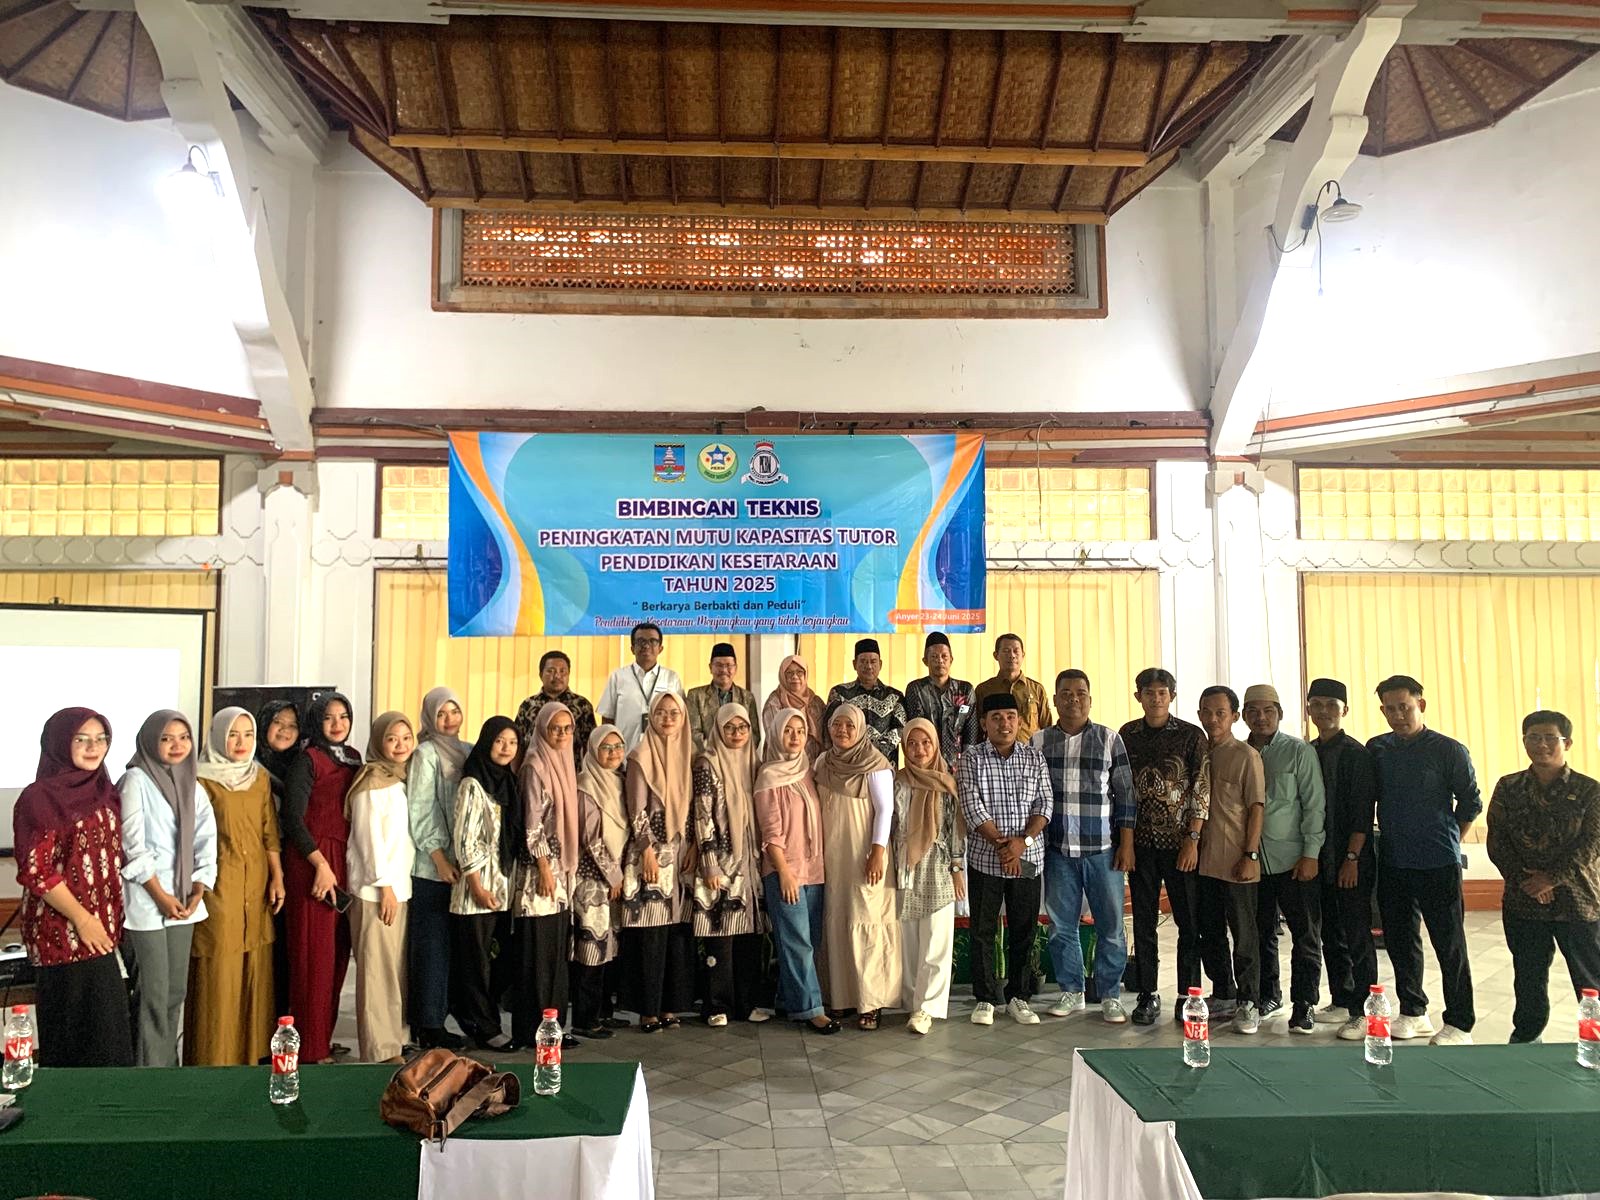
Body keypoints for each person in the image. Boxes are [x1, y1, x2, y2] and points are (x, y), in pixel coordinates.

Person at [13, 708, 134, 1067]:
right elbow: (37, 871)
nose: (93, 747)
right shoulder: (39, 798)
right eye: (81, 739)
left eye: (101, 738)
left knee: (110, 1041)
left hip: (101, 930)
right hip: (61, 934)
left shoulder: (104, 790)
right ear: (60, 743)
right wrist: (83, 920)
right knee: (76, 1044)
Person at [1368, 675, 1482, 1046]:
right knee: (1400, 941)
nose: (1398, 715)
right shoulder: (1378, 748)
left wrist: (1449, 837)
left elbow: (1471, 802)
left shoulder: (1449, 750)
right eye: (1390, 709)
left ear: (1421, 705)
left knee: (1449, 944)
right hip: (1393, 860)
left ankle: (1460, 1022)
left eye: (1404, 707)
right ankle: (1413, 1011)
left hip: (1438, 862)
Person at [1486, 710, 1600, 1044]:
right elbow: (1497, 839)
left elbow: (1592, 843)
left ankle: (1595, 1037)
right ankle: (1527, 1037)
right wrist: (1527, 882)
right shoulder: (1509, 787)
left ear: (1568, 743)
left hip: (1578, 900)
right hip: (1523, 899)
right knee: (1528, 976)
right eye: (1533, 737)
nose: (1542, 745)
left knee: (1590, 978)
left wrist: (1551, 879)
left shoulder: (1589, 790)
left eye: (1551, 737)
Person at [1032, 670, 1134, 1025]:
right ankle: (1072, 991)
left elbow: (1126, 796)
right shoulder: (1039, 741)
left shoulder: (1109, 739)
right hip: (1058, 850)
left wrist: (1126, 844)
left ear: (1090, 699)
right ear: (1055, 700)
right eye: (1066, 693)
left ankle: (1110, 995)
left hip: (1102, 850)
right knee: (1062, 926)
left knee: (1111, 927)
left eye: (1080, 693)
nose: (1073, 699)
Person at [119, 709, 218, 1067]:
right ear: (150, 741)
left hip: (184, 902)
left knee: (175, 990)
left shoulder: (193, 784)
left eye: (184, 737)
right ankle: (148, 1074)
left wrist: (198, 889)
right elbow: (132, 845)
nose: (177, 745)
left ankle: (165, 1066)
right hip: (146, 901)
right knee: (153, 992)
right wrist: (160, 896)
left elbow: (206, 840)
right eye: (166, 738)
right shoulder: (135, 781)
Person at [187, 707, 284, 1066]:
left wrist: (277, 877)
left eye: (247, 734)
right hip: (218, 886)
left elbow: (269, 830)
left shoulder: (259, 777)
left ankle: (251, 1057)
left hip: (256, 884)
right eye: (232, 734)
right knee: (219, 972)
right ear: (217, 737)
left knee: (254, 968)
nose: (241, 742)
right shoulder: (200, 780)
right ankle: (213, 1059)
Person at [1119, 667, 1209, 1027]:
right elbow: (1122, 790)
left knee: (1189, 923)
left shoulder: (1191, 735)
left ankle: (1188, 996)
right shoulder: (1127, 735)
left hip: (1179, 844)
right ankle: (1148, 994)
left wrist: (1193, 840)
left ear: (1172, 696)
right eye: (1149, 692)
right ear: (1138, 696)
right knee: (1143, 922)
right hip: (1140, 844)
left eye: (1162, 692)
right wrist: (1125, 841)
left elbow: (1201, 790)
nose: (1155, 698)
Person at [958, 692, 1054, 1027]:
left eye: (1011, 717)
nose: (1005, 723)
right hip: (986, 860)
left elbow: (1045, 804)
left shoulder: (1034, 758)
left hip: (1028, 857)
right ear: (984, 723)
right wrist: (1004, 847)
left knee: (1024, 930)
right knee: (983, 930)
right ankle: (985, 999)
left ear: (1019, 721)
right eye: (996, 717)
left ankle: (1018, 997)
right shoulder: (972, 759)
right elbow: (972, 807)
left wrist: (1021, 844)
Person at [1241, 683, 1325, 1034]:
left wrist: (1310, 853)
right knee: (1260, 933)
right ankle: (1268, 995)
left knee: (1305, 934)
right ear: (1243, 715)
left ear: (1280, 714)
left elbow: (1314, 804)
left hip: (1293, 860)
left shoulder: (1298, 751)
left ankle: (1304, 1003)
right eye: (1253, 711)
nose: (1261, 717)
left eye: (1268, 711)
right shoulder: (1238, 752)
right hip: (1252, 862)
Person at [281, 692, 361, 1063]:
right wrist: (321, 865)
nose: (337, 724)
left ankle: (322, 1037)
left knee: (337, 955)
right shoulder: (308, 759)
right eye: (329, 717)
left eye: (343, 716)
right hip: (313, 863)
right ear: (317, 721)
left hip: (343, 860)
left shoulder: (353, 757)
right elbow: (293, 819)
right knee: (313, 956)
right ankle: (309, 1048)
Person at [814, 703, 899, 1030]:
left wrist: (877, 851)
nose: (843, 731)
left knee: (866, 921)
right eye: (837, 724)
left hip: (865, 856)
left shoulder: (874, 764)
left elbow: (885, 810)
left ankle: (870, 1002)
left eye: (850, 725)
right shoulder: (823, 762)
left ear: (861, 728)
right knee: (836, 923)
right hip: (832, 858)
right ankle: (841, 997)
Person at [754, 708, 838, 1035]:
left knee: (809, 941)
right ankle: (812, 1010)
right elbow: (770, 832)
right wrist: (785, 873)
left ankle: (786, 999)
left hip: (814, 870)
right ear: (776, 733)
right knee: (797, 942)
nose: (794, 737)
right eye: (788, 730)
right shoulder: (768, 776)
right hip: (784, 871)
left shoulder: (807, 770)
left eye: (800, 731)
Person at [619, 692, 698, 1032]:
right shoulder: (641, 756)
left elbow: (692, 808)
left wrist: (694, 845)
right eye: (661, 713)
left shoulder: (688, 755)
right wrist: (647, 850)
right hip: (649, 856)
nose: (667, 719)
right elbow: (636, 809)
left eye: (674, 713)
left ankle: (669, 1006)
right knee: (650, 932)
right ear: (651, 717)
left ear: (683, 718)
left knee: (675, 933)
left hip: (680, 855)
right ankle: (647, 1010)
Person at [1305, 677, 1378, 1040]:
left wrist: (1352, 857)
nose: (1323, 711)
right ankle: (1341, 998)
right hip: (1319, 859)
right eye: (1316, 704)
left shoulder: (1356, 754)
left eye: (1331, 705)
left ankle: (1365, 1010)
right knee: (1330, 932)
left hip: (1351, 859)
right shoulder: (1308, 751)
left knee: (1357, 935)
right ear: (1308, 709)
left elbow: (1363, 812)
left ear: (1344, 710)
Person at [345, 712, 417, 1063]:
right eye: (391, 738)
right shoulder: (371, 782)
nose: (400, 745)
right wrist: (384, 886)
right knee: (376, 972)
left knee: (394, 968)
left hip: (399, 889)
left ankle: (396, 1038)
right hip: (376, 891)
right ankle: (379, 1049)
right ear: (378, 742)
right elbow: (367, 839)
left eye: (405, 737)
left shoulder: (399, 778)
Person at [1194, 687, 1265, 1035]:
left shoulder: (1246, 756)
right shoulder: (1197, 753)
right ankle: (1223, 993)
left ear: (1234, 716)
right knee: (1211, 933)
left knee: (1244, 936)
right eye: (1206, 712)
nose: (1213, 719)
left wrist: (1250, 854)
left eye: (1220, 713)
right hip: (1202, 862)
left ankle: (1249, 1001)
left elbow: (1256, 808)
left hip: (1237, 861)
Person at [692, 704, 767, 1026]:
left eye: (743, 727)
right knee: (720, 936)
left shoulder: (755, 763)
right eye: (730, 728)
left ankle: (746, 1004)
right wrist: (709, 862)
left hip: (750, 862)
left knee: (749, 937)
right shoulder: (707, 764)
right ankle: (716, 1006)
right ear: (718, 729)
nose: (737, 734)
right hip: (721, 861)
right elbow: (702, 815)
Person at [513, 702, 580, 1049]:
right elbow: (532, 822)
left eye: (567, 728)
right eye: (555, 728)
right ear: (541, 729)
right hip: (539, 874)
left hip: (561, 874)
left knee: (555, 953)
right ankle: (532, 1029)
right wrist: (542, 866)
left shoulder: (565, 762)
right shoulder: (535, 765)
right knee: (537, 954)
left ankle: (553, 1029)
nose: (562, 734)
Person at [405, 686, 469, 1050]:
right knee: (432, 946)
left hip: (463, 866)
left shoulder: (467, 751)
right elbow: (420, 808)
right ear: (429, 717)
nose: (448, 719)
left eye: (454, 711)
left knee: (452, 948)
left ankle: (443, 1016)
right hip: (433, 868)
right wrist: (439, 858)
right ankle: (428, 1024)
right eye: (441, 713)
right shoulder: (425, 753)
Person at [450, 717, 519, 1051]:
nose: (506, 748)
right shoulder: (472, 784)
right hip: (475, 893)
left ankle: (483, 1021)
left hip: (501, 890)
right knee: (476, 966)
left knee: (496, 964)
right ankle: (487, 1029)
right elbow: (465, 840)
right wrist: (477, 886)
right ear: (486, 742)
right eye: (499, 741)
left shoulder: (509, 782)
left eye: (512, 742)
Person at [895, 717, 966, 1034]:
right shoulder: (896, 781)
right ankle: (910, 1001)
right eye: (912, 743)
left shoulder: (946, 783)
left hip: (938, 865)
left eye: (925, 743)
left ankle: (927, 1008)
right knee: (907, 939)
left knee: (936, 939)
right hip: (903, 865)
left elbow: (954, 830)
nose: (919, 749)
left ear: (935, 745)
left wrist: (957, 868)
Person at [571, 725, 628, 1039]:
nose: (613, 753)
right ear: (593, 750)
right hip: (593, 880)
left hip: (615, 879)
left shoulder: (619, 781)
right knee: (591, 949)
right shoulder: (586, 785)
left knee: (609, 947)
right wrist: (614, 875)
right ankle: (585, 1018)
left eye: (618, 747)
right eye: (606, 747)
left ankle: (604, 1011)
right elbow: (591, 839)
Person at [600, 623, 684, 752]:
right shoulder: (618, 677)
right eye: (640, 641)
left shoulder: (672, 678)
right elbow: (607, 718)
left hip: (663, 753)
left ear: (660, 648)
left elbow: (681, 718)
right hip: (625, 754)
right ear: (632, 648)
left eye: (652, 641)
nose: (646, 646)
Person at [822, 637, 908, 764]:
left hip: (883, 764)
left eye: (873, 661)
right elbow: (829, 727)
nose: (868, 666)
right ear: (854, 664)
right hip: (847, 764)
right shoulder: (839, 693)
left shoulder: (894, 696)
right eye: (863, 661)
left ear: (880, 664)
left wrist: (877, 750)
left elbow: (902, 729)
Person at [903, 632, 980, 767]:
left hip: (958, 764)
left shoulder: (965, 690)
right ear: (925, 661)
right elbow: (917, 728)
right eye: (934, 656)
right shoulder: (915, 689)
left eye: (944, 656)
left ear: (951, 659)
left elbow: (971, 731)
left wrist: (967, 765)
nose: (940, 660)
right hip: (926, 763)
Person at [515, 651, 597, 770]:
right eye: (551, 671)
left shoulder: (582, 705)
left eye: (562, 671)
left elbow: (590, 745)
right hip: (535, 770)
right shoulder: (528, 705)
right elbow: (518, 744)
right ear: (541, 675)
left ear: (569, 674)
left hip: (571, 771)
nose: (557, 676)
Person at [685, 642, 762, 755]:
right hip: (708, 758)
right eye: (719, 665)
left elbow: (754, 734)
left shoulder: (747, 697)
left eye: (729, 665)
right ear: (710, 667)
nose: (724, 670)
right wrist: (716, 752)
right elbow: (693, 732)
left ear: (735, 668)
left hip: (740, 758)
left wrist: (736, 753)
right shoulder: (695, 696)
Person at [973, 634, 1052, 743]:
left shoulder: (1037, 689)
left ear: (1023, 655)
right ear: (996, 655)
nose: (1012, 655)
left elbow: (1047, 728)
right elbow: (977, 729)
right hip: (994, 751)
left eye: (1016, 651)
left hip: (1030, 751)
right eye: (1006, 651)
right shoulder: (984, 689)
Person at [763, 653, 826, 761]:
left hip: (814, 763)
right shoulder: (774, 702)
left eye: (799, 672)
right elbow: (774, 738)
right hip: (782, 763)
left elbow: (825, 735)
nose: (795, 677)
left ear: (806, 675)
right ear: (782, 676)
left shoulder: (816, 702)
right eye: (789, 673)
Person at [255, 699, 301, 807]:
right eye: (277, 722)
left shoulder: (301, 765)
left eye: (292, 725)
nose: (285, 729)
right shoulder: (247, 766)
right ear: (264, 724)